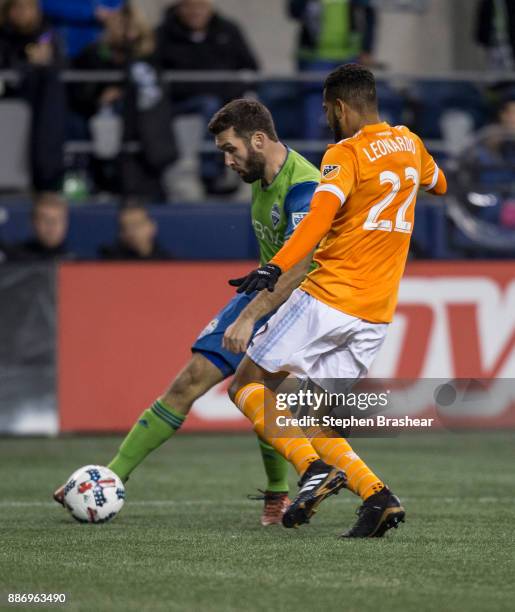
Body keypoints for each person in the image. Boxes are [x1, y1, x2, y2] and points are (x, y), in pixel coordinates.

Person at [54, 99, 321, 526]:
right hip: (264, 292)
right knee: (188, 381)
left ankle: (280, 494)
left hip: (301, 304)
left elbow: (301, 267)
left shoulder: (304, 186)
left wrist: (250, 317)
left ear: (258, 139)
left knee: (263, 397)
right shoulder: (261, 173)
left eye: (230, 150)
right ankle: (107, 479)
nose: (228, 161)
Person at [228, 64, 448, 538]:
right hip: (375, 313)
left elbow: (317, 221)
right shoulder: (411, 143)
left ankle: (311, 470)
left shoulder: (343, 153)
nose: (328, 119)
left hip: (328, 296)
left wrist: (274, 267)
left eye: (329, 111)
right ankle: (378, 498)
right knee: (320, 419)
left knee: (247, 385)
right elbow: (440, 184)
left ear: (341, 107)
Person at [69, 3, 177, 198]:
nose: (125, 31)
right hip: (96, 113)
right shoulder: (93, 53)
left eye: (130, 26)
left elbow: (155, 90)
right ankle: (101, 181)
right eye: (119, 24)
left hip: (144, 121)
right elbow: (78, 90)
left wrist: (122, 92)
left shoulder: (149, 56)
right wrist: (99, 96)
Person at [155, 0, 259, 194]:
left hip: (224, 99)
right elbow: (156, 73)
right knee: (210, 105)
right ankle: (209, 172)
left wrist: (236, 91)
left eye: (200, 7)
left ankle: (241, 172)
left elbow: (250, 67)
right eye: (189, 8)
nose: (196, 13)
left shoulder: (228, 30)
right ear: (179, 8)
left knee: (245, 109)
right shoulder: (163, 34)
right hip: (177, 100)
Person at [0, 0, 66, 191]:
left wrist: (45, 63)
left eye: (27, 8)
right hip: (9, 108)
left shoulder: (46, 35)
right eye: (17, 8)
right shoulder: (3, 37)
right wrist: (26, 65)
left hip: (40, 111)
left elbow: (62, 68)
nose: (22, 13)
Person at [288, 0, 377, 140]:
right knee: (314, 117)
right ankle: (313, 158)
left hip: (349, 57)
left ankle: (357, 155)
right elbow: (294, 11)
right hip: (315, 60)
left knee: (354, 112)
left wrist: (366, 49)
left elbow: (369, 12)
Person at [41, 0, 124, 58]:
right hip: (66, 50)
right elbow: (46, 4)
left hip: (102, 50)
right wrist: (91, 12)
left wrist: (112, 14)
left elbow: (119, 7)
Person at [7, 192, 74, 261]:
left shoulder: (78, 259)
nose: (51, 225)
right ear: (33, 222)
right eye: (45, 219)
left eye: (57, 219)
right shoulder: (14, 258)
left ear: (66, 223)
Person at [99, 203, 171, 260]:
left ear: (151, 226)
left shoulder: (167, 261)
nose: (131, 232)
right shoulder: (110, 261)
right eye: (125, 227)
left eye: (137, 225)